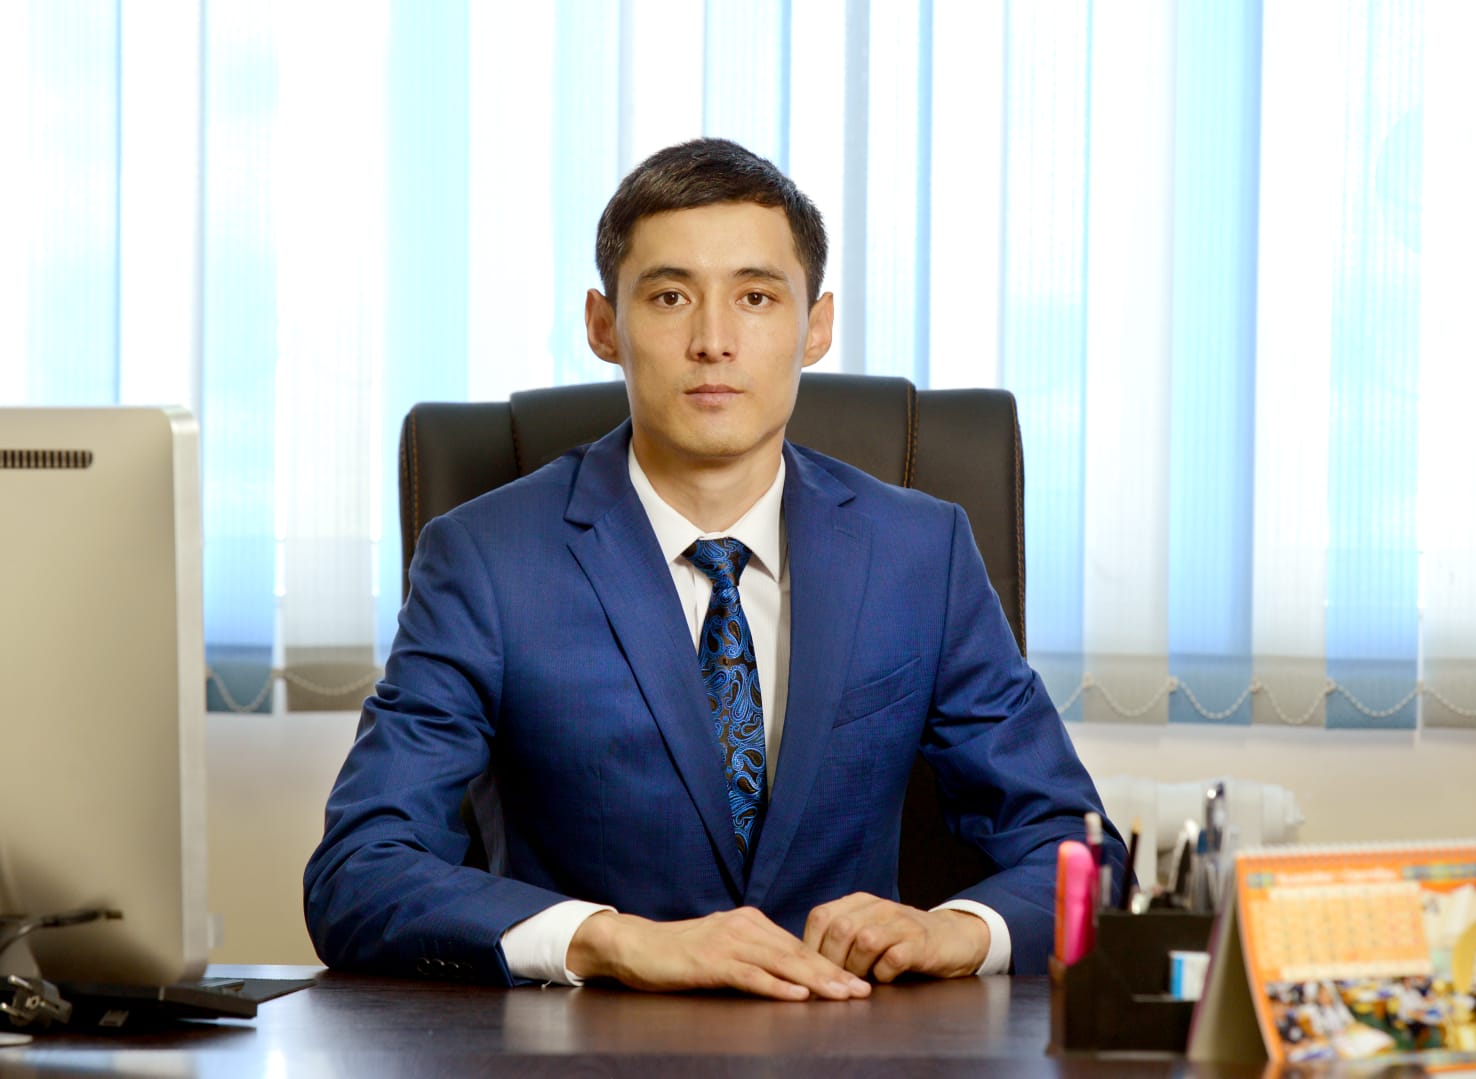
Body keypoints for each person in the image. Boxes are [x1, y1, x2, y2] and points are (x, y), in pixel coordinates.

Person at [304, 137, 1123, 1001]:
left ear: (815, 326)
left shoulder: (920, 552)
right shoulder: (486, 559)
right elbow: (359, 872)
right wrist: (612, 941)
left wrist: (955, 929)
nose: (713, 341)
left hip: (853, 1035)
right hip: (590, 1042)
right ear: (602, 325)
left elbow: (1077, 852)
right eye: (669, 296)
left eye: (755, 297)